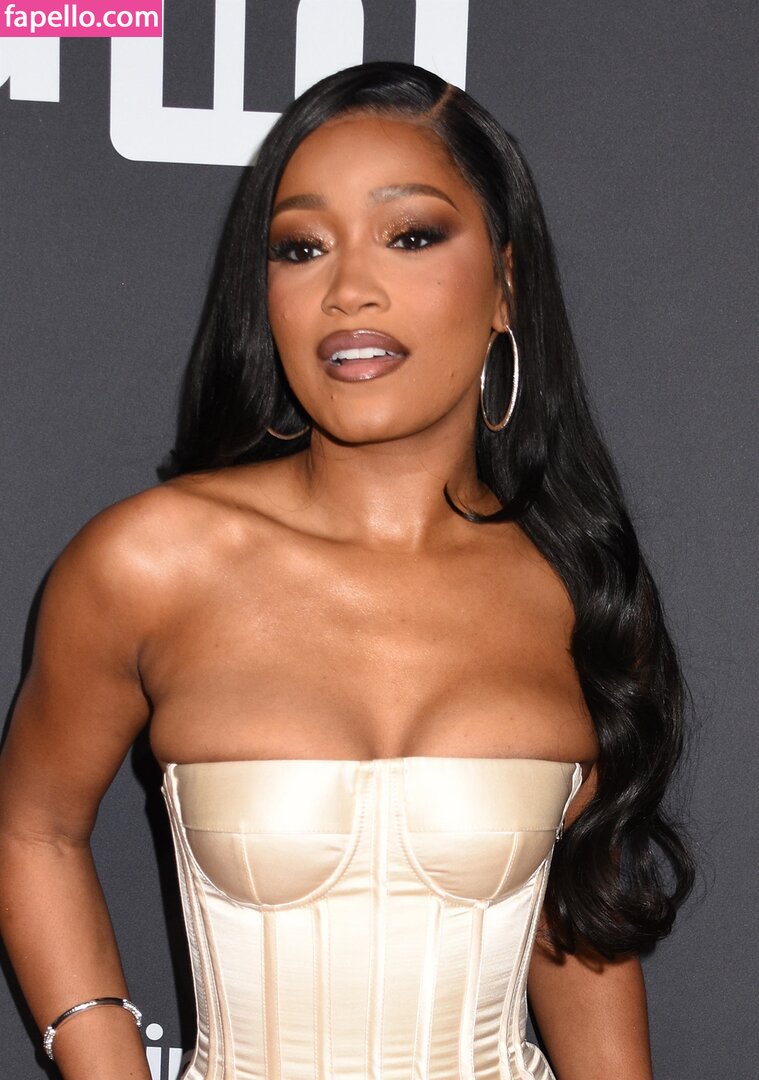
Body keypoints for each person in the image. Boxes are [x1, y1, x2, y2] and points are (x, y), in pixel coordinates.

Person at [0, 61, 693, 1080]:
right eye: (302, 247)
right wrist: (102, 1054)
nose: (348, 289)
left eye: (409, 235)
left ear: (505, 284)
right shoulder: (149, 563)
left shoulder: (571, 582)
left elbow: (579, 923)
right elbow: (35, 828)